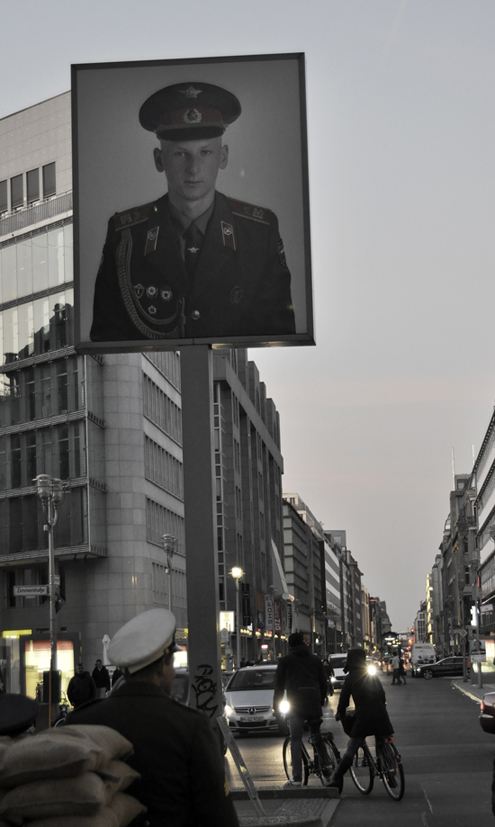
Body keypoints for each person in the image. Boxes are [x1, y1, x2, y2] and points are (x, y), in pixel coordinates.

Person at [90, 81, 296, 343]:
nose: (194, 168)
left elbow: (279, 336)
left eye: (205, 152)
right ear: (159, 159)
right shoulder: (125, 237)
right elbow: (107, 335)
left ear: (223, 157)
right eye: (180, 154)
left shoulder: (259, 233)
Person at [65, 608, 239, 827]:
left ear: (126, 670)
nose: (174, 673)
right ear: (161, 667)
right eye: (171, 664)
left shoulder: (82, 721)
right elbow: (218, 814)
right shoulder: (191, 726)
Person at [328, 648, 394, 792]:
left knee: (352, 747)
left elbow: (344, 699)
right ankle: (391, 771)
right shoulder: (372, 675)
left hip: (364, 716)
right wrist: (382, 706)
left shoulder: (351, 678)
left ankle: (336, 778)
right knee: (383, 738)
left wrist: (340, 713)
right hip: (381, 714)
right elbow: (382, 694)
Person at [273, 632, 329, 788]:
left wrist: (276, 707)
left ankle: (297, 778)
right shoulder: (315, 660)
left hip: (296, 704)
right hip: (313, 703)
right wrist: (321, 699)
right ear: (304, 643)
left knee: (295, 738)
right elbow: (323, 683)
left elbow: (279, 687)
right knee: (317, 736)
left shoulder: (285, 661)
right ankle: (327, 768)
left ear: (290, 645)